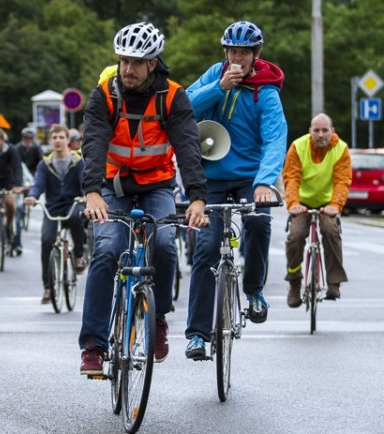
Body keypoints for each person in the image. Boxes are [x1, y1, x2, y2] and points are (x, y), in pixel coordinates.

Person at [79, 22, 208, 374]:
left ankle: (159, 317)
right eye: (123, 61)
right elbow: (93, 144)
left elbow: (188, 147)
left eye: (136, 62)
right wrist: (92, 192)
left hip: (157, 186)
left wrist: (197, 197)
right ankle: (93, 344)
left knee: (166, 243)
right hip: (111, 186)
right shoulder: (104, 94)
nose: (128, 69)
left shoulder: (173, 96)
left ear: (153, 64)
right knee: (106, 249)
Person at [184, 20, 287, 360]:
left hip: (249, 179)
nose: (237, 58)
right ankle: (197, 334)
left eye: (244, 52)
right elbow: (182, 108)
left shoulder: (266, 90)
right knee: (206, 246)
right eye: (232, 52)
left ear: (256, 55)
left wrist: (264, 182)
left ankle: (254, 290)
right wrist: (218, 88)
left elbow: (275, 139)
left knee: (259, 221)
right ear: (225, 52)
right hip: (210, 176)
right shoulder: (216, 74)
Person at [283, 113, 351, 305]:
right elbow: (291, 177)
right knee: (295, 236)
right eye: (316, 130)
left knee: (331, 231)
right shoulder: (298, 146)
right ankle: (295, 283)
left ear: (332, 131)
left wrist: (335, 205)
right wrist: (293, 203)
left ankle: (333, 282)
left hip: (328, 204)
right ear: (310, 131)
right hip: (301, 203)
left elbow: (342, 181)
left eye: (325, 130)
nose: (321, 134)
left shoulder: (341, 149)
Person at [24, 124, 87, 304]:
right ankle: (47, 287)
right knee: (46, 240)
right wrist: (33, 196)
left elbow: (84, 182)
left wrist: (85, 196)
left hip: (73, 203)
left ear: (68, 140)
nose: (58, 141)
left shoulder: (77, 161)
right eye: (55, 137)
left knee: (76, 217)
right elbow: (38, 183)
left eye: (61, 137)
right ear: (50, 140)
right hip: (52, 207)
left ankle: (78, 255)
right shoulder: (44, 163)